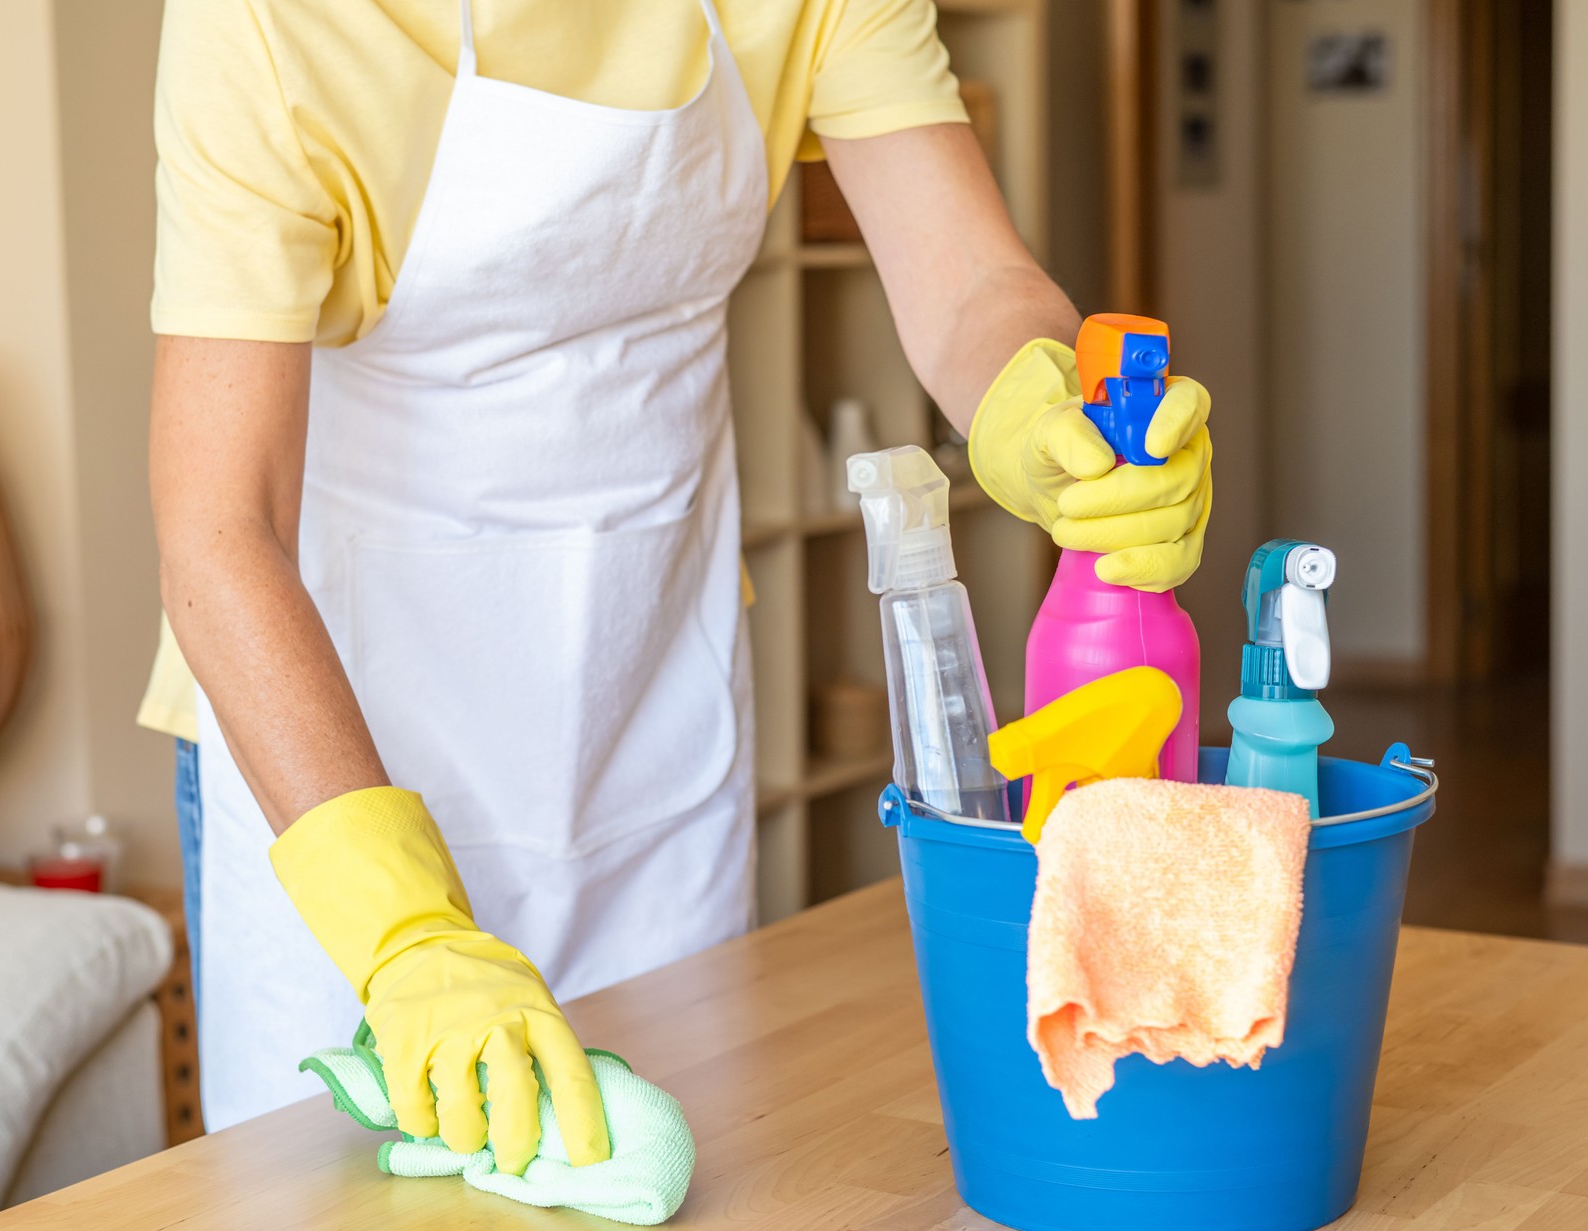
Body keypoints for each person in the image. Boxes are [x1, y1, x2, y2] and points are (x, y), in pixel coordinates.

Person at [141, 0, 1214, 1170]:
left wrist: (1034, 402)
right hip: (338, 752)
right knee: (332, 1222)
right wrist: (405, 934)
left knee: (662, 1197)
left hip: (646, 717)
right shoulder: (269, 22)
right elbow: (217, 526)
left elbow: (968, 284)